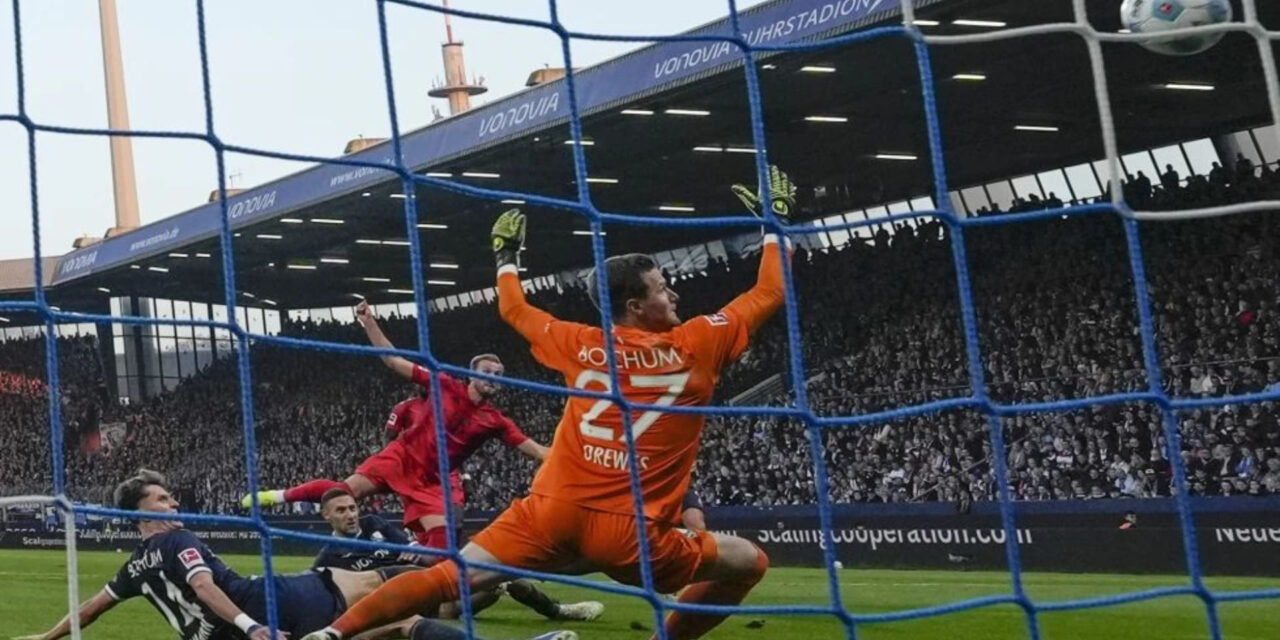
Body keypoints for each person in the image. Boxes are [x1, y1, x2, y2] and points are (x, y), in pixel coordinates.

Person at [302, 165, 796, 640]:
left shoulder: (578, 343)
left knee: (454, 576)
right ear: (635, 307)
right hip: (632, 532)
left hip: (553, 510)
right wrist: (774, 222)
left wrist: (506, 257)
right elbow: (771, 289)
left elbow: (514, 308)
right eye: (662, 289)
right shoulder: (697, 344)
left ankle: (332, 633)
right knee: (749, 562)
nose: (673, 295)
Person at [15, 469, 573, 640]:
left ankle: (500, 577)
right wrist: (253, 624)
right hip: (281, 602)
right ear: (142, 512)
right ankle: (512, 563)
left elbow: (90, 608)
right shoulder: (176, 539)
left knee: (399, 623)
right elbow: (207, 587)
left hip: (257, 625)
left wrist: (44, 637)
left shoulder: (135, 566)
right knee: (404, 590)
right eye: (162, 497)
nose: (174, 501)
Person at [243, 301, 549, 550]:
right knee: (344, 492)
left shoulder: (496, 421)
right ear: (471, 374)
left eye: (498, 373)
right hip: (400, 458)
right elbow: (392, 361)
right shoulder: (443, 384)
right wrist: (369, 323)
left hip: (431, 480)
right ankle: (277, 496)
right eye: (487, 371)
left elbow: (536, 450)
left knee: (443, 547)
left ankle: (413, 561)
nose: (492, 377)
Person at [314, 488, 604, 622]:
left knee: (504, 571)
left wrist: (425, 557)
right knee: (495, 582)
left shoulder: (375, 524)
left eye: (352, 508)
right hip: (413, 610)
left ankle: (559, 611)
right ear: (326, 516)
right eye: (341, 510)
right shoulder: (328, 559)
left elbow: (419, 555)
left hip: (433, 589)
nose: (351, 515)